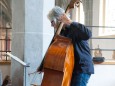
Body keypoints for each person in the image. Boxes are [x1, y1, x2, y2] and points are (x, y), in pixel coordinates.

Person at [47, 6, 94, 86]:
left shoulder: (74, 27)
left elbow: (88, 34)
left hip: (81, 68)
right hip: (70, 68)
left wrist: (69, 21)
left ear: (59, 19)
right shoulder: (62, 33)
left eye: (52, 21)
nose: (51, 25)